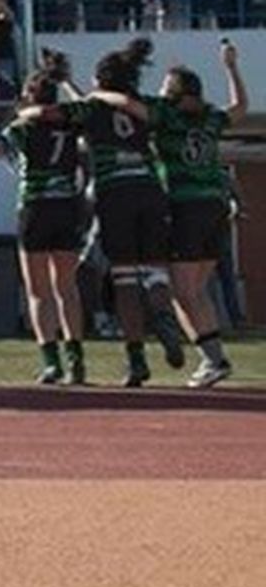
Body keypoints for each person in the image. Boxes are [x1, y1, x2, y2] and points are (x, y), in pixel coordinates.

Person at [93, 42, 247, 387]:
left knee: (183, 292)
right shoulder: (210, 117)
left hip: (185, 205)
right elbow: (240, 108)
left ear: (176, 92)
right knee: (198, 290)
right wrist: (231, 68)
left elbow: (129, 104)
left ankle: (213, 359)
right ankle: (214, 356)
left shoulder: (168, 113)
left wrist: (101, 96)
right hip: (216, 206)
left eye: (166, 87)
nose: (161, 92)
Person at [32, 39, 186, 387]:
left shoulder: (90, 109)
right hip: (149, 189)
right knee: (155, 269)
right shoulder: (146, 104)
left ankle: (136, 360)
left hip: (114, 192)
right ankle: (163, 313)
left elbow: (54, 114)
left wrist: (33, 106)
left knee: (124, 279)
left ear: (100, 81)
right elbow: (161, 115)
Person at [0, 65, 88, 384]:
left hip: (35, 207)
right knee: (67, 288)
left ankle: (51, 361)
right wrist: (68, 86)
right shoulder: (72, 123)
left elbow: (4, 141)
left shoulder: (22, 128)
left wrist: (26, 111)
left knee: (38, 291)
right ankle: (76, 358)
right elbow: (86, 106)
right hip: (66, 205)